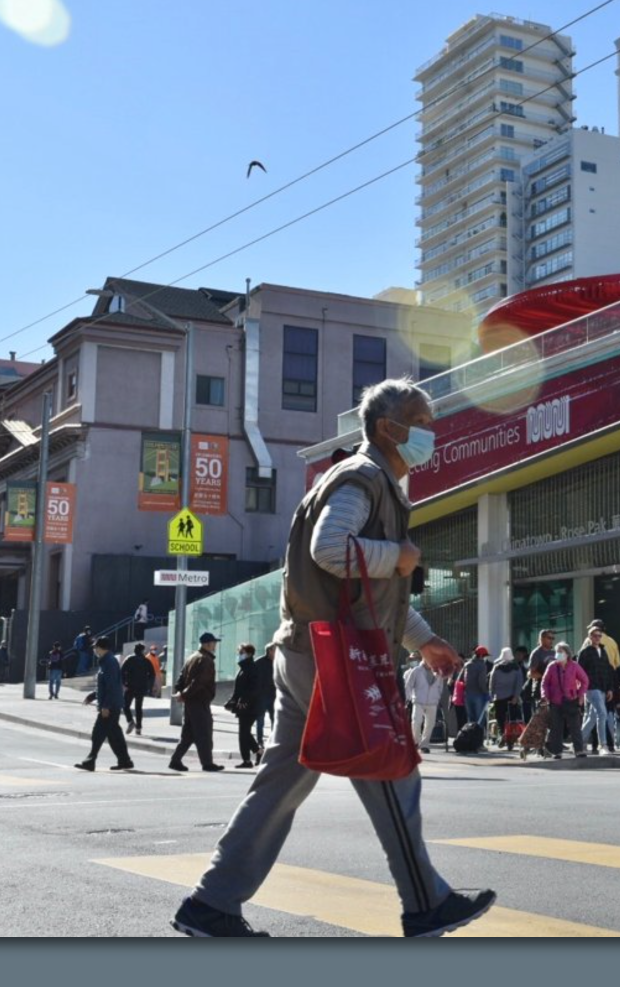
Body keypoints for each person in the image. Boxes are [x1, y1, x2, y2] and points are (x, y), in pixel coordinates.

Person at [171, 379, 495, 939]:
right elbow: (330, 549)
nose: (428, 432)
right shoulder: (364, 479)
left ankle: (212, 903)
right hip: (333, 660)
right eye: (419, 421)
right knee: (390, 772)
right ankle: (424, 903)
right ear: (386, 429)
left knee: (280, 786)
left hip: (312, 648)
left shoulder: (369, 481)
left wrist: (423, 640)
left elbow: (368, 598)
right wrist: (398, 556)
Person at [77, 637, 138, 772]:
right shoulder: (106, 662)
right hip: (112, 703)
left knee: (98, 733)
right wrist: (93, 695)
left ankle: (90, 760)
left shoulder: (109, 662)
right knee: (114, 735)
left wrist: (106, 706)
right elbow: (105, 685)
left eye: (95, 647)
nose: (94, 649)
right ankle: (125, 761)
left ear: (101, 648)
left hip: (110, 705)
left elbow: (112, 686)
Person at [168, 632, 224, 773]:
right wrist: (184, 694)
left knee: (189, 734)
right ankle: (207, 763)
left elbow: (181, 678)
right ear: (207, 644)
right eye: (213, 643)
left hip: (191, 702)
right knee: (204, 732)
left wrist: (181, 693)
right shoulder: (206, 660)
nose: (215, 645)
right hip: (199, 701)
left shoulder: (192, 657)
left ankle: (175, 760)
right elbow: (198, 682)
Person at [541, 641, 589, 759]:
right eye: (557, 652)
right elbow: (544, 683)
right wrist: (544, 695)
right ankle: (557, 752)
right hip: (555, 701)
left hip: (571, 700)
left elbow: (585, 681)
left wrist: (580, 694)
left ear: (567, 654)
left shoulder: (574, 666)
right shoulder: (551, 666)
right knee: (556, 727)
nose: (558, 654)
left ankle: (579, 750)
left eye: (561, 652)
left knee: (575, 727)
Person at [576, 623, 616, 754]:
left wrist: (610, 688)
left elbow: (607, 671)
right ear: (590, 637)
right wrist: (581, 689)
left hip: (602, 688)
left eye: (600, 636)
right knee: (602, 713)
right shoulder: (584, 653)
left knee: (592, 718)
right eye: (595, 635)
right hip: (591, 688)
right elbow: (579, 672)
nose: (598, 638)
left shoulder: (603, 651)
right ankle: (603, 745)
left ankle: (579, 741)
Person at [226, 643, 268, 768]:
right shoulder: (244, 668)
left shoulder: (252, 668)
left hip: (250, 707)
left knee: (243, 733)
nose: (239, 655)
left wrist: (244, 701)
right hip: (245, 706)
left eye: (241, 652)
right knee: (244, 732)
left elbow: (253, 689)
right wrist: (232, 701)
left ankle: (248, 759)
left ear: (248, 654)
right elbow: (239, 689)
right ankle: (257, 752)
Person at [405, 656, 445, 750]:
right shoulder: (416, 671)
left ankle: (424, 744)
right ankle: (416, 741)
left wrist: (437, 698)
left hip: (432, 701)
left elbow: (440, 686)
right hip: (419, 700)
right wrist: (408, 698)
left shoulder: (438, 671)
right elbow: (409, 685)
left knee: (430, 724)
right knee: (416, 722)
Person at [488, 648, 524, 749]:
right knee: (512, 719)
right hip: (511, 698)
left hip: (498, 698)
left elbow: (492, 682)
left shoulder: (496, 667)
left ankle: (502, 734)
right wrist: (516, 696)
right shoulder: (516, 668)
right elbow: (519, 683)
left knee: (500, 719)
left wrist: (492, 694)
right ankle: (510, 740)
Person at [123, 642, 155, 734]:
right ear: (142, 651)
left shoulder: (129, 659)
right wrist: (149, 686)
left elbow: (122, 671)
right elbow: (152, 674)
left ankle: (130, 721)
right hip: (141, 687)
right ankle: (138, 727)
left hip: (130, 686)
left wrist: (124, 683)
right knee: (138, 707)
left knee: (125, 706)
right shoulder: (146, 661)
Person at [525, 631, 555, 723]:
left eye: (552, 638)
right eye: (549, 638)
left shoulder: (554, 652)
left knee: (553, 718)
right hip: (540, 690)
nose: (551, 640)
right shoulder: (537, 653)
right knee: (540, 719)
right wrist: (545, 676)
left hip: (554, 690)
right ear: (541, 639)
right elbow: (531, 673)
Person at [461, 646, 493, 730]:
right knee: (479, 719)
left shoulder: (467, 664)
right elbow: (481, 682)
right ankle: (478, 740)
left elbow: (461, 679)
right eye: (485, 656)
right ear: (481, 656)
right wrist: (486, 693)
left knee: (470, 719)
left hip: (467, 695)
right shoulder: (482, 665)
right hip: (478, 695)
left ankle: (471, 738)